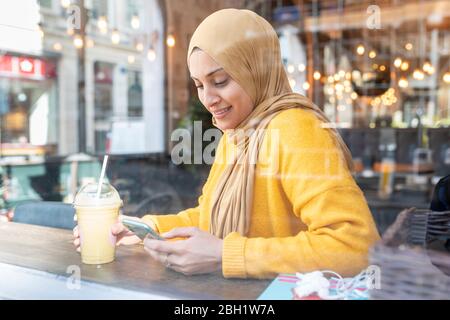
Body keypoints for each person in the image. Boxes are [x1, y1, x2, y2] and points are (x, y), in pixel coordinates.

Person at [74, 8, 380, 279]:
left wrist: (225, 255)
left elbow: (355, 246)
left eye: (220, 81)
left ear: (256, 70)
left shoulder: (297, 129)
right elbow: (208, 218)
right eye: (199, 85)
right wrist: (145, 229)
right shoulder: (237, 134)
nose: (208, 98)